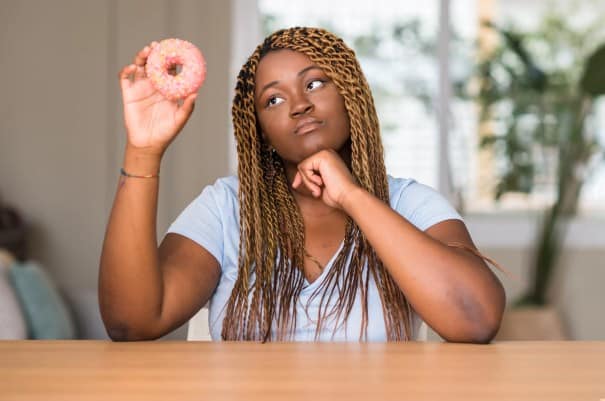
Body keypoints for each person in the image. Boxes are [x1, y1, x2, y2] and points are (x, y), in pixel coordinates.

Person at [99, 27, 505, 343]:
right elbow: (132, 322)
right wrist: (143, 150)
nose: (298, 105)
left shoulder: (410, 204)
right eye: (273, 100)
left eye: (314, 84)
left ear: (351, 96)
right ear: (261, 132)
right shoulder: (225, 207)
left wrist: (351, 196)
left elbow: (476, 319)